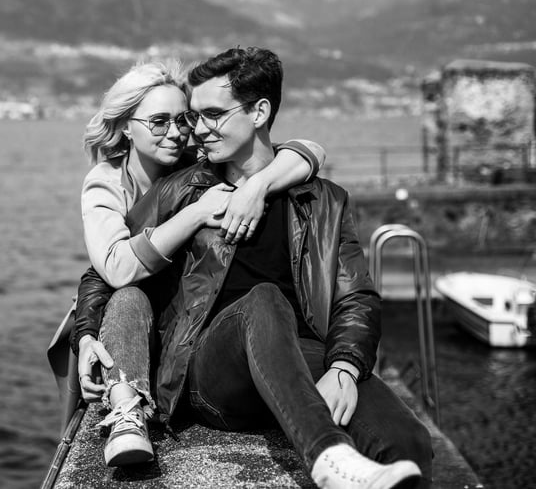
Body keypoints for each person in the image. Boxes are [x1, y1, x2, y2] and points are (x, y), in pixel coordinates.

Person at [75, 48, 433, 489]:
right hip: (212, 370)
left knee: (408, 442)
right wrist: (87, 332)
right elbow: (107, 269)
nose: (196, 131)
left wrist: (344, 368)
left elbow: (355, 296)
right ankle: (326, 455)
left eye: (211, 115)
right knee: (264, 300)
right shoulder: (182, 189)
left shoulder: (324, 200)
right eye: (194, 115)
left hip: (301, 358)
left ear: (260, 111)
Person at [71, 59, 326, 467]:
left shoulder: (197, 161)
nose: (176, 133)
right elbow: (109, 272)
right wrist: (83, 335)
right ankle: (126, 413)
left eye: (183, 119)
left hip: (183, 327)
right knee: (130, 294)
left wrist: (257, 186)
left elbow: (310, 151)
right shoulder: (107, 183)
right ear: (124, 126)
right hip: (130, 321)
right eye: (158, 122)